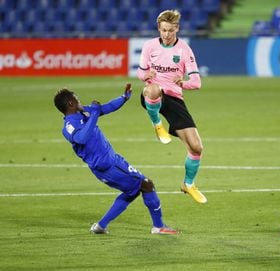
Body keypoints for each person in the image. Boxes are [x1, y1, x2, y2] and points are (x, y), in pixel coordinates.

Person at [54, 83, 178, 235]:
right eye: (77, 99)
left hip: (109, 162)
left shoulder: (83, 112)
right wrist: (93, 115)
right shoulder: (68, 126)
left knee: (131, 191)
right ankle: (159, 227)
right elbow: (82, 138)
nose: (80, 102)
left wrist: (124, 98)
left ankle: (101, 226)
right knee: (146, 184)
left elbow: (106, 108)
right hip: (107, 164)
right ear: (70, 103)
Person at [137, 9, 207, 204]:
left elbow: (197, 82)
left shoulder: (184, 50)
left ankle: (189, 184)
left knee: (196, 147)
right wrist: (146, 76)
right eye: (164, 30)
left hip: (175, 98)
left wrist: (183, 82)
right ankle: (157, 125)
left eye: (171, 30)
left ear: (177, 28)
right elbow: (140, 73)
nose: (167, 34)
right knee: (153, 90)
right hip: (153, 94)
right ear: (159, 28)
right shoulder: (149, 46)